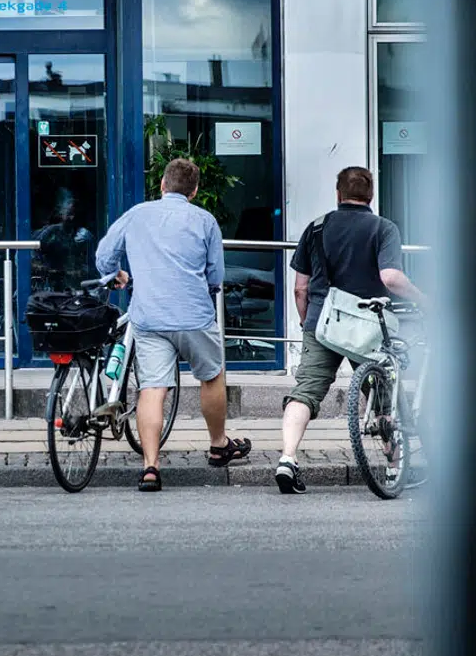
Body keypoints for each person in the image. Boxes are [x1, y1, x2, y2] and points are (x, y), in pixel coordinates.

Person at [95, 158, 251, 492]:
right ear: (194, 191)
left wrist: (115, 274)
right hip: (194, 315)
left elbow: (104, 254)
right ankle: (218, 445)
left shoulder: (137, 214)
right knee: (212, 376)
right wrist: (206, 289)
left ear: (163, 185)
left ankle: (150, 467)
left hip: (149, 316)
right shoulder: (205, 220)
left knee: (152, 388)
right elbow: (216, 274)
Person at [278, 166, 426, 494]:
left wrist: (306, 322)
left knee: (305, 392)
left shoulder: (316, 228)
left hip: (323, 323)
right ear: (371, 195)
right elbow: (391, 278)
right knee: (383, 396)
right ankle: (394, 468)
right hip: (369, 328)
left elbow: (300, 288)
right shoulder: (383, 228)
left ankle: (287, 459)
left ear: (338, 193)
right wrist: (424, 300)